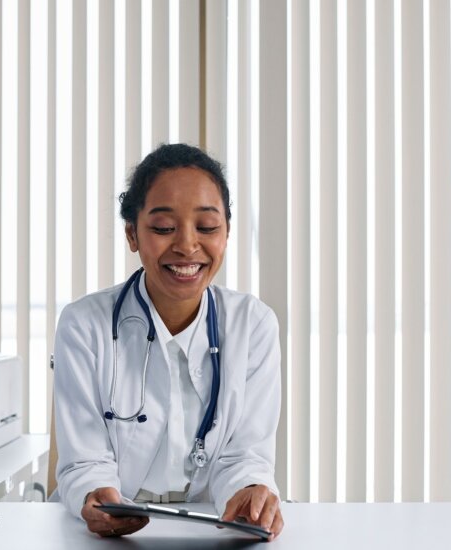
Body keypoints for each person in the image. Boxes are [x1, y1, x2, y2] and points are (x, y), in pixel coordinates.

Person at [53, 143, 284, 539]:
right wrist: (97, 496)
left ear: (226, 233)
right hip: (108, 536)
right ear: (132, 234)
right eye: (163, 228)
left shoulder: (253, 324)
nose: (187, 245)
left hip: (212, 529)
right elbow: (84, 460)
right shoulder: (83, 324)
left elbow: (245, 455)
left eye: (207, 227)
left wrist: (250, 492)